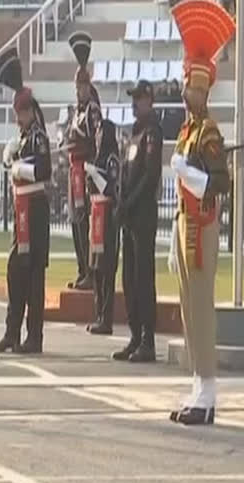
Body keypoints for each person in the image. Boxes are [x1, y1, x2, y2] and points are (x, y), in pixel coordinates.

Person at [167, 0, 234, 426]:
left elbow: (220, 183)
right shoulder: (187, 129)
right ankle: (197, 384)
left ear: (200, 89)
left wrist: (190, 174)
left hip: (203, 225)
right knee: (188, 309)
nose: (182, 90)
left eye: (188, 84)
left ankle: (208, 392)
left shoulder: (208, 133)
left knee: (202, 308)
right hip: (183, 222)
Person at [0, 48, 51, 355]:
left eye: (20, 113)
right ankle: (13, 332)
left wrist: (18, 167)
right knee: (17, 272)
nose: (18, 118)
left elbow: (43, 169)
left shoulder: (37, 136)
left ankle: (32, 335)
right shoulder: (25, 136)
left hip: (34, 212)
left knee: (32, 273)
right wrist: (10, 159)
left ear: (28, 112)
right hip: (22, 211)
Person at [111, 80, 163, 363]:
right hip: (130, 215)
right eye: (133, 98)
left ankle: (148, 339)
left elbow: (150, 175)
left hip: (142, 215)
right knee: (129, 277)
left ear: (149, 100)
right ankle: (134, 335)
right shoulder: (134, 133)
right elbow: (127, 171)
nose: (134, 103)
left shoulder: (152, 132)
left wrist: (129, 203)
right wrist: (121, 199)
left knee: (144, 277)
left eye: (139, 99)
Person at [66, 32, 102, 291]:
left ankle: (90, 271)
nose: (79, 91)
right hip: (73, 169)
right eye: (77, 87)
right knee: (75, 222)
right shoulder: (76, 111)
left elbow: (97, 140)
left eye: (82, 86)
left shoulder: (92, 110)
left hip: (86, 171)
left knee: (85, 222)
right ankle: (81, 269)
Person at [83, 119, 121, 335]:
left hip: (108, 215)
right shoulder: (96, 157)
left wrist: (95, 174)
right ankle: (98, 314)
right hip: (95, 212)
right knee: (96, 268)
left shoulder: (111, 159)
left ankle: (106, 318)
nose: (96, 136)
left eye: (99, 131)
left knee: (106, 268)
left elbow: (110, 188)